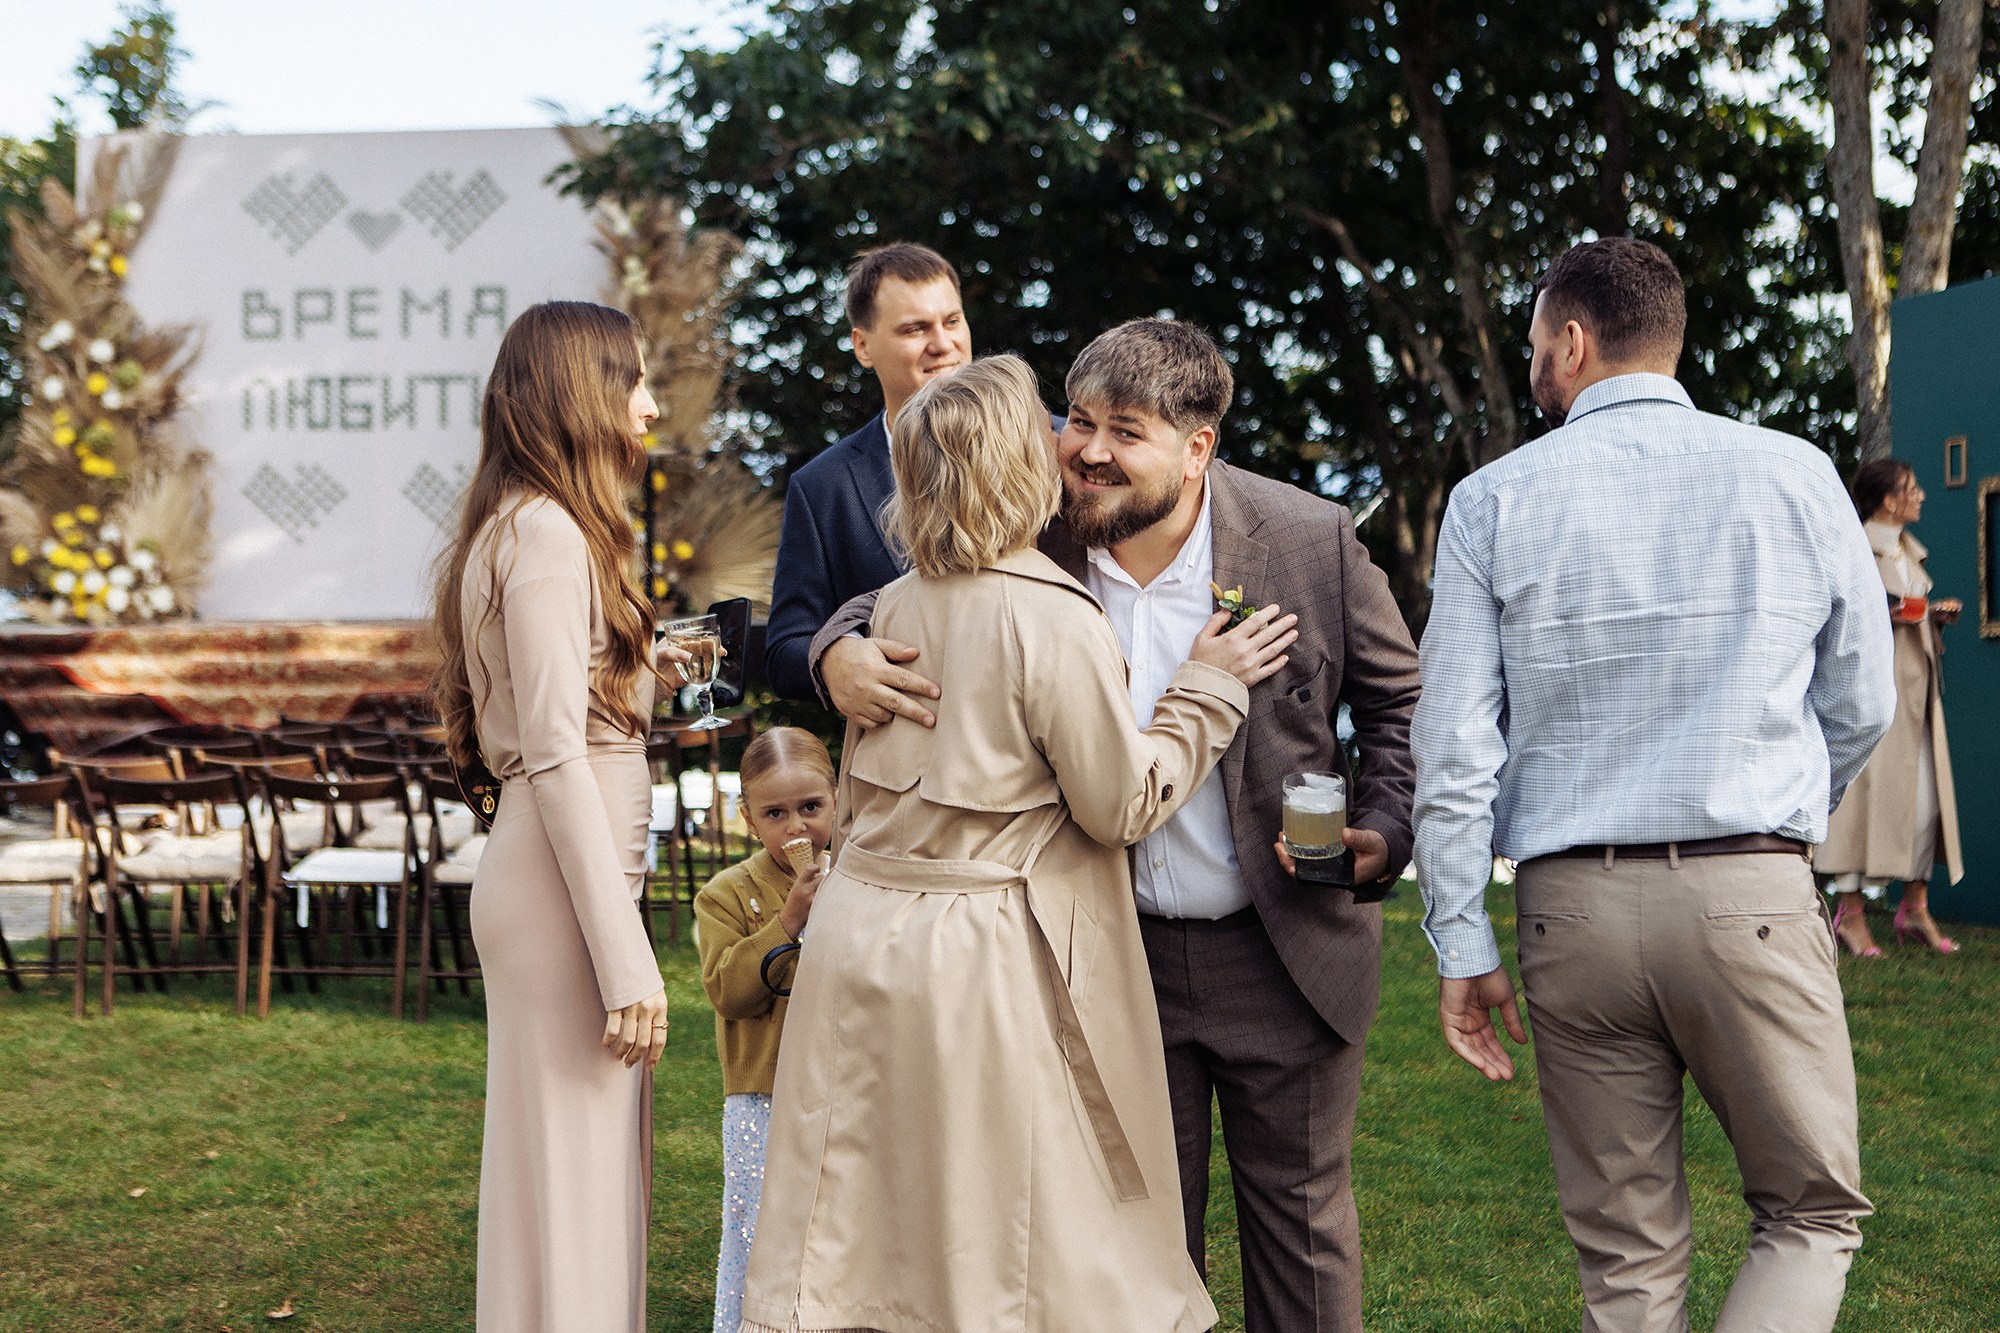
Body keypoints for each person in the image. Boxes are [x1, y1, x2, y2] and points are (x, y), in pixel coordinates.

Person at [812, 320, 1422, 1332]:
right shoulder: (1034, 528)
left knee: (1302, 1237)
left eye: (1123, 432)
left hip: (1282, 950)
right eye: (1079, 422)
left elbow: (1399, 706)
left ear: (1196, 448)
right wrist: (834, 652)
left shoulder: (1308, 540)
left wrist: (1383, 827)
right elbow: (891, 594)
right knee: (1122, 1254)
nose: (1087, 451)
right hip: (1101, 958)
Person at [741, 354, 1298, 1333]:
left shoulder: (896, 605)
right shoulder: (1049, 614)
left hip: (859, 946)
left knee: (884, 1236)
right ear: (1018, 469)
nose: (1065, 443)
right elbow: (1119, 802)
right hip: (979, 957)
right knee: (1003, 1242)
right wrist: (1206, 687)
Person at [1413, 237, 1895, 1333]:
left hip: (1568, 908)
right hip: (1748, 896)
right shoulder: (1790, 471)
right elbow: (1862, 697)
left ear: (1572, 342)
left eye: (1537, 342)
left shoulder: (1490, 500)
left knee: (1624, 1256)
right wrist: (1776, 819)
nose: (1535, 362)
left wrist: (1461, 938)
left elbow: (1454, 748)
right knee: (1808, 1211)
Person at [431, 301, 681, 1333]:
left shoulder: (533, 527)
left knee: (567, 1180)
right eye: (633, 381)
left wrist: (638, 667)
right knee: (573, 1188)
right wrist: (623, 953)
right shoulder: (542, 532)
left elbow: (562, 715)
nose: (650, 405)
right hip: (559, 893)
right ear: (584, 393)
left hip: (556, 876)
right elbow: (552, 746)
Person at [762, 242, 971, 700]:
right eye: (916, 329)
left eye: (952, 321)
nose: (943, 344)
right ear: (863, 346)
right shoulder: (823, 487)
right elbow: (783, 650)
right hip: (906, 755)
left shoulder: (1054, 446)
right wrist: (833, 657)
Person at [691, 726, 835, 1333]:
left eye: (811, 807)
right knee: (759, 1233)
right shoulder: (726, 895)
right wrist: (789, 921)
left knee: (839, 1235)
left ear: (839, 800)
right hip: (764, 1096)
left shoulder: (862, 877)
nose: (796, 828)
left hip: (850, 1089)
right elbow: (730, 991)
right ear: (749, 820)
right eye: (776, 813)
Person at [1814, 458, 1965, 956]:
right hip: (1871, 693)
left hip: (1916, 693)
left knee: (1924, 801)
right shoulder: (1855, 545)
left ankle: (1914, 908)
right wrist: (1898, 612)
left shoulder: (1906, 554)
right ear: (1887, 500)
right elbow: (1843, 608)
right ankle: (1849, 915)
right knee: (1861, 800)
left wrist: (1931, 616)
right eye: (1912, 488)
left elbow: (1902, 610)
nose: (1921, 495)